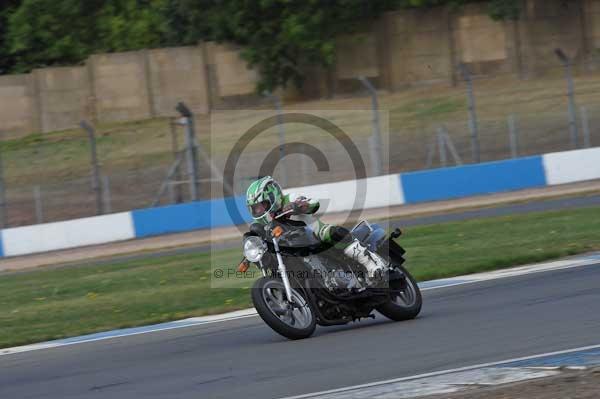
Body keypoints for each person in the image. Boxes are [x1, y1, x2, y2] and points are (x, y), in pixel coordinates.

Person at [245, 176, 387, 278]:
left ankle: (371, 263)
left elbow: (314, 204)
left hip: (312, 233)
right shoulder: (263, 224)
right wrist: (250, 253)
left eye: (261, 206)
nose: (259, 211)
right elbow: (257, 239)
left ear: (272, 196)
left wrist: (299, 206)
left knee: (331, 232)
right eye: (255, 208)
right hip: (287, 247)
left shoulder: (290, 199)